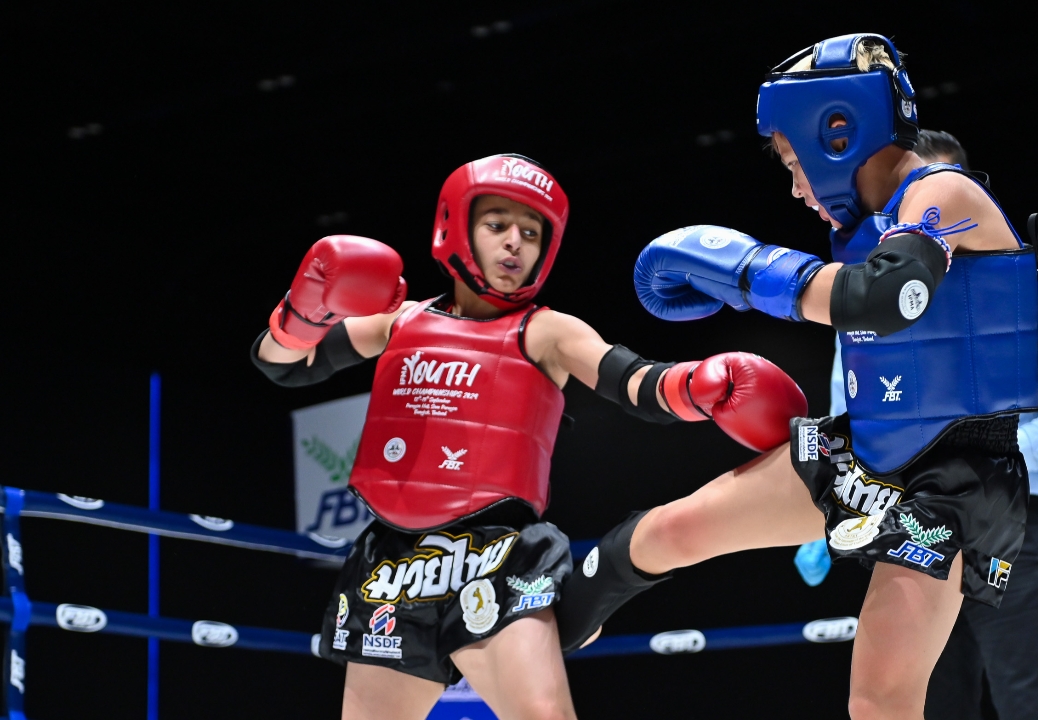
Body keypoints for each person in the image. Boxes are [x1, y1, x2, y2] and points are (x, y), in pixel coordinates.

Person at [556, 35, 1038, 719]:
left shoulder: (943, 191)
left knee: (880, 702)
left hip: (955, 478)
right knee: (665, 533)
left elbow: (889, 296)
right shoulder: (864, 227)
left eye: (794, 164)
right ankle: (525, 637)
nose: (795, 188)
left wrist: (747, 270)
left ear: (837, 133)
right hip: (868, 448)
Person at [249, 154, 807, 720]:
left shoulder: (546, 330)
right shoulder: (400, 321)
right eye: (496, 225)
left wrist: (698, 385)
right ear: (455, 228)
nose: (515, 243)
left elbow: (634, 382)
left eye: (531, 232)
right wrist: (303, 312)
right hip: (391, 560)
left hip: (495, 554)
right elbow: (284, 365)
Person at [795, 129, 1038, 719]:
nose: (919, 212)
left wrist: (973, 470)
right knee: (924, 705)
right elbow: (849, 418)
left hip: (1012, 521)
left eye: (933, 192)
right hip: (904, 524)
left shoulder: (1037, 285)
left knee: (1030, 701)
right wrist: (826, 511)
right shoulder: (863, 299)